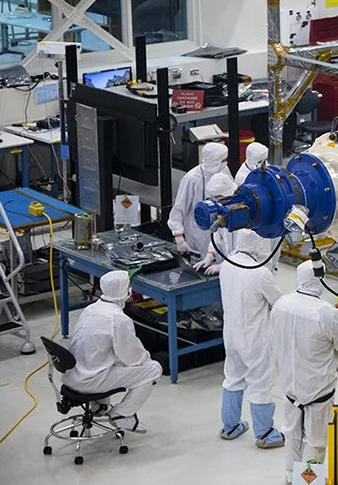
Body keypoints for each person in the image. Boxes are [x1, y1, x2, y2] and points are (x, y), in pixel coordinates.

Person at [273, 260, 338, 485]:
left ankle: (291, 478)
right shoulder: (326, 313)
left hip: (290, 386)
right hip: (317, 391)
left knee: (292, 435)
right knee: (315, 442)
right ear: (320, 278)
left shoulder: (281, 304)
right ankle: (307, 484)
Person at [64, 270, 162, 432]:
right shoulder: (118, 319)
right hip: (91, 381)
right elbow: (133, 358)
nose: (131, 289)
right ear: (123, 290)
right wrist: (146, 357)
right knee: (152, 369)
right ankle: (122, 414)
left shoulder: (91, 309)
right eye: (129, 286)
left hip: (73, 375)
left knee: (109, 358)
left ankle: (99, 405)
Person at [218, 231, 284, 448]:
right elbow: (279, 303)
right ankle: (265, 433)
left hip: (231, 334)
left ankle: (230, 426)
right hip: (255, 338)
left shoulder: (227, 265)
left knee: (233, 376)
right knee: (260, 383)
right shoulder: (259, 273)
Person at [169, 142, 231, 255]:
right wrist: (179, 237)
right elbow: (179, 208)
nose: (225, 163)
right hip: (198, 235)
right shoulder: (191, 179)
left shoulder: (224, 170)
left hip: (221, 232)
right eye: (222, 160)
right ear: (214, 161)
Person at [195, 173, 239, 276]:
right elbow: (218, 240)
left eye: (218, 198)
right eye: (213, 198)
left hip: (247, 272)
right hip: (230, 270)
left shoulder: (244, 216)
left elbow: (244, 252)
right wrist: (209, 256)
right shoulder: (223, 213)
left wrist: (223, 266)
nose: (216, 202)